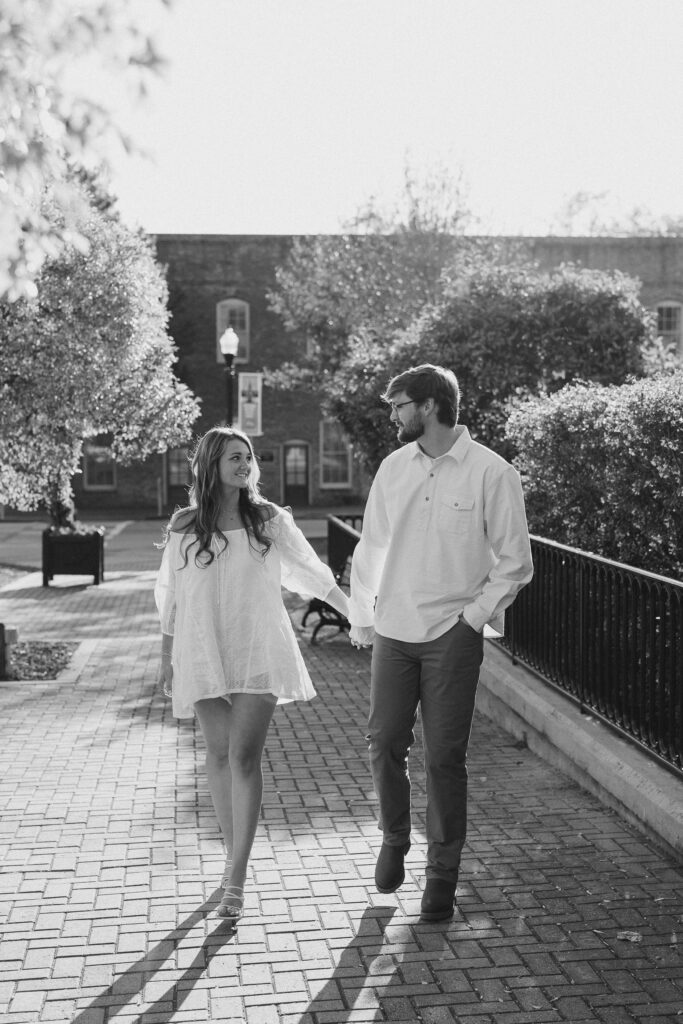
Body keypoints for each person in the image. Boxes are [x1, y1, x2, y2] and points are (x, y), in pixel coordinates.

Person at [348, 364, 533, 923]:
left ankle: (441, 876)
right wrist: (364, 617)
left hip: (452, 636)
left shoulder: (491, 473)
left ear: (429, 406)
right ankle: (395, 837)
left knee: (445, 758)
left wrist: (472, 620)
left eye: (401, 404)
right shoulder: (393, 468)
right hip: (395, 632)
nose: (394, 414)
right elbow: (372, 548)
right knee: (383, 742)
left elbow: (515, 562)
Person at [155, 426, 349, 926]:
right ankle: (230, 859)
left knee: (243, 755)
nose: (245, 465)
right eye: (234, 457)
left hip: (257, 650)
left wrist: (356, 614)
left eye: (249, 457)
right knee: (217, 755)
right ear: (211, 463)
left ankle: (236, 876)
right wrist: (166, 657)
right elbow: (171, 600)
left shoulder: (268, 520)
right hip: (202, 652)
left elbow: (313, 573)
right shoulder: (182, 526)